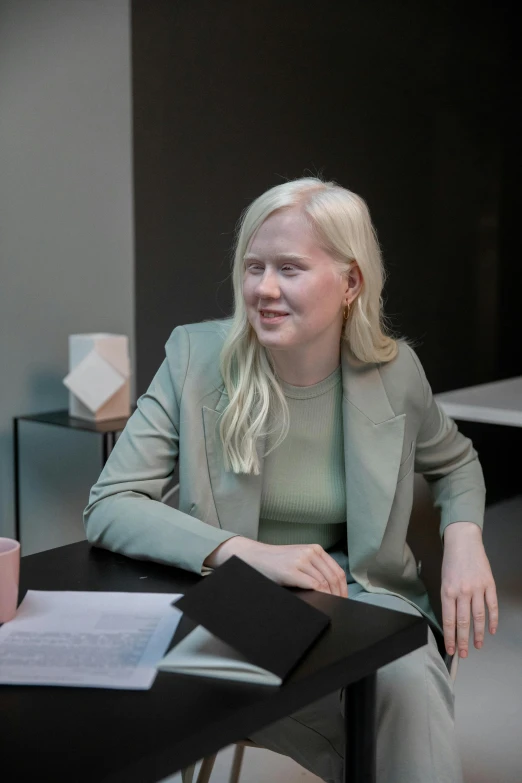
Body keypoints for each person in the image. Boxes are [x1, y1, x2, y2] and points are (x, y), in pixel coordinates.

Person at [84, 177, 498, 783]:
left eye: (290, 268)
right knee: (350, 711)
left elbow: (455, 460)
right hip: (238, 600)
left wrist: (464, 538)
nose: (264, 289)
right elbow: (111, 503)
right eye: (253, 267)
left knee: (407, 669)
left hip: (361, 595)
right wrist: (247, 553)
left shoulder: (394, 370)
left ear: (351, 282)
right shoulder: (195, 359)